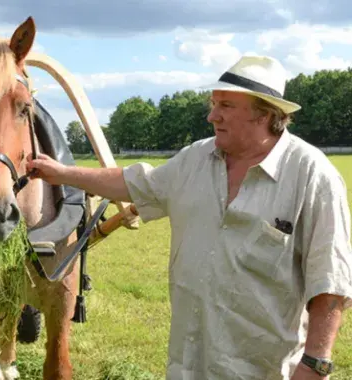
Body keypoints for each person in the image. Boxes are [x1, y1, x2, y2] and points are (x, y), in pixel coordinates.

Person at [26, 55, 352, 379]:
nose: (212, 116)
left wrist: (315, 365)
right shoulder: (195, 159)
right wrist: (61, 173)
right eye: (213, 103)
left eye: (225, 105)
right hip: (187, 368)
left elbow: (330, 282)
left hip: (264, 372)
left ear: (264, 113)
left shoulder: (312, 176)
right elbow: (132, 183)